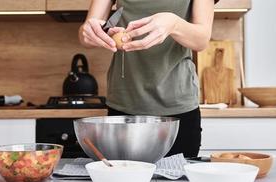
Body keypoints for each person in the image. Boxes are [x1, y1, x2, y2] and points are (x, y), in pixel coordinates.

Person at [78, 0, 218, 158]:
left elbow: (201, 40)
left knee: (179, 181)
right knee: (125, 179)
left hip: (178, 108)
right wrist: (88, 31)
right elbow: (87, 32)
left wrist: (174, 24)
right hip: (124, 104)